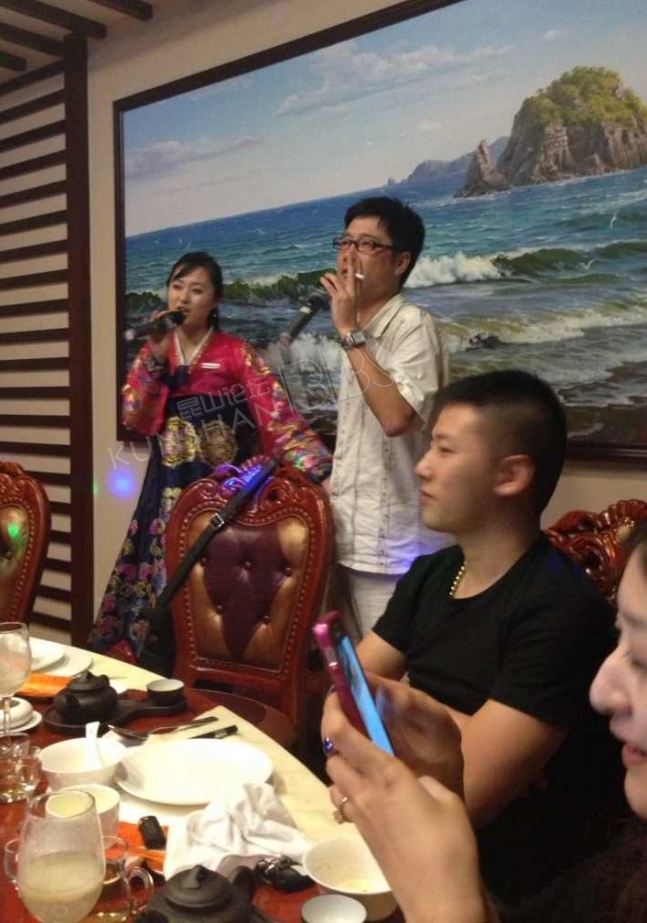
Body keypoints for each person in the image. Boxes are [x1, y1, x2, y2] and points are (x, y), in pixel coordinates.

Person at [350, 369, 623, 905]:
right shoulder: (431, 573)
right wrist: (459, 728)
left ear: (510, 475)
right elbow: (343, 700)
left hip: (504, 886)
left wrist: (396, 706)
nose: (423, 466)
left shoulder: (560, 608)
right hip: (400, 836)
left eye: (445, 450)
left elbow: (466, 796)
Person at [323, 520, 647, 923]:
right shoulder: (624, 869)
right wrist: (447, 787)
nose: (599, 693)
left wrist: (445, 907)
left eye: (641, 658)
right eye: (620, 639)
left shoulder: (558, 603)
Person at [89, 251, 332, 660]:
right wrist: (154, 357)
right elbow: (134, 417)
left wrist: (320, 471)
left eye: (196, 290)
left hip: (224, 494)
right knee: (158, 593)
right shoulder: (156, 352)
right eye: (177, 287)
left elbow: (277, 417)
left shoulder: (237, 353)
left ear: (216, 299)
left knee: (215, 595)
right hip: (164, 492)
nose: (183, 298)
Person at [320, 195, 448, 636]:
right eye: (345, 241)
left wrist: (348, 333)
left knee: (391, 672)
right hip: (348, 538)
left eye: (367, 244)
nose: (349, 254)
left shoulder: (413, 325)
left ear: (401, 262)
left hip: (396, 548)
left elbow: (396, 418)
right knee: (351, 669)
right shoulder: (358, 329)